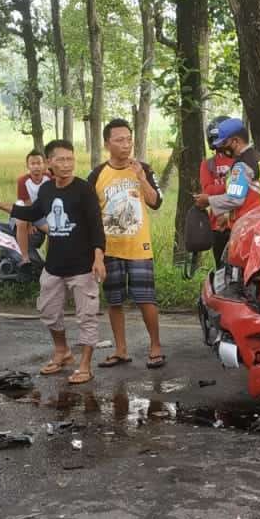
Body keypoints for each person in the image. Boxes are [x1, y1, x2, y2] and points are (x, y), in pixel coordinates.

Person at [0, 140, 106, 385]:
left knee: (87, 317)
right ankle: (62, 352)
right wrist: (0, 204)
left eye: (70, 159)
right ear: (49, 162)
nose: (66, 164)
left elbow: (96, 226)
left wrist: (98, 258)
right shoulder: (47, 190)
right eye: (61, 160)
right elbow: (31, 214)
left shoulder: (84, 190)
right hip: (54, 266)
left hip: (83, 267)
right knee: (49, 312)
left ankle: (85, 366)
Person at [87, 118, 166, 369]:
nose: (125, 144)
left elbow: (155, 202)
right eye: (119, 140)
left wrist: (141, 178)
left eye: (129, 139)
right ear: (107, 143)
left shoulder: (143, 168)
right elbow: (90, 213)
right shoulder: (98, 174)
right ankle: (120, 350)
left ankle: (155, 346)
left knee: (146, 299)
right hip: (110, 247)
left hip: (139, 246)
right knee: (114, 300)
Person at [193, 117, 260, 229]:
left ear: (235, 141)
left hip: (249, 225)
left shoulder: (242, 165)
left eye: (224, 143)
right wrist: (228, 218)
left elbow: (234, 199)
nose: (222, 147)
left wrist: (208, 200)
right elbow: (252, 194)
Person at [199, 117, 236, 266]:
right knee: (222, 267)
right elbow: (208, 190)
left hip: (239, 222)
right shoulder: (208, 164)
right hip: (218, 226)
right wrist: (230, 184)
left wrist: (221, 187)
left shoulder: (242, 160)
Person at [14, 149, 51, 265]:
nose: (36, 167)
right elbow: (27, 204)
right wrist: (30, 224)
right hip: (26, 209)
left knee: (54, 230)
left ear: (44, 164)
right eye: (33, 164)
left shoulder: (49, 178)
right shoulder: (22, 181)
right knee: (21, 222)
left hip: (42, 211)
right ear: (28, 166)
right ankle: (25, 258)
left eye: (39, 163)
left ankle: (50, 259)